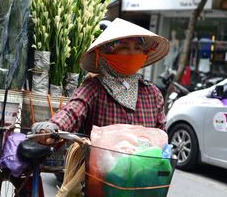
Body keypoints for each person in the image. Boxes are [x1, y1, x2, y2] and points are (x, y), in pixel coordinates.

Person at [31, 18, 170, 143]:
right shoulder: (94, 87)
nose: (132, 53)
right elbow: (73, 110)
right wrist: (53, 127)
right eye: (124, 48)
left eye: (138, 48)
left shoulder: (152, 93)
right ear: (107, 54)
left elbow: (162, 134)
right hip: (100, 167)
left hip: (145, 168)